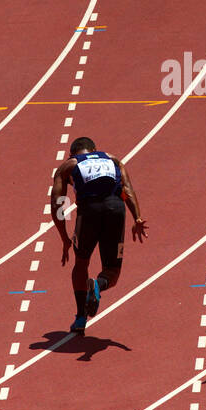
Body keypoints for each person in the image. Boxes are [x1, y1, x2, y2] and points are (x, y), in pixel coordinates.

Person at [51, 137, 147, 334]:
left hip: (89, 212)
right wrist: (137, 217)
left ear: (72, 154)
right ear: (95, 149)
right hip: (116, 209)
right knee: (112, 272)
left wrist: (65, 238)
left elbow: (58, 205)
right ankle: (98, 285)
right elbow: (127, 189)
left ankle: (80, 318)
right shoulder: (113, 159)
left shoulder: (67, 166)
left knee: (81, 262)